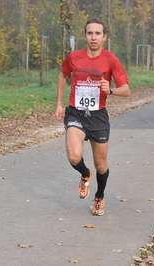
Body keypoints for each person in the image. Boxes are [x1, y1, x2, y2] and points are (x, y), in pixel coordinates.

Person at [55, 18, 130, 216]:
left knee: (101, 164)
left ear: (104, 37)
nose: (93, 37)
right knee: (73, 155)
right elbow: (63, 75)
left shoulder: (111, 59)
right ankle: (85, 174)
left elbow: (127, 90)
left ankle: (99, 197)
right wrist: (58, 104)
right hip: (75, 112)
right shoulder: (74, 57)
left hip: (98, 117)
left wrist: (111, 90)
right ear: (85, 36)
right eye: (90, 33)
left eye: (98, 33)